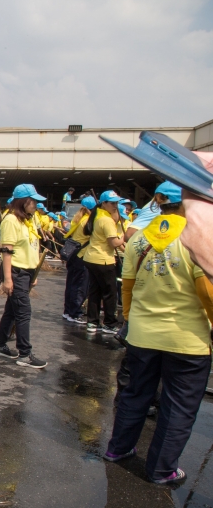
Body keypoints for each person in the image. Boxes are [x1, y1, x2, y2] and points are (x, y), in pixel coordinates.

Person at [104, 182, 213, 484]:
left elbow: (126, 286)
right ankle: (161, 469)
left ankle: (118, 449)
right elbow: (207, 291)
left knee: (135, 394)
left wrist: (130, 320)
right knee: (177, 404)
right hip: (186, 340)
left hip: (141, 335)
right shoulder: (198, 238)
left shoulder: (139, 238)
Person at [0, 184, 48, 369]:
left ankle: (0, 344)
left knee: (12, 311)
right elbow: (7, 251)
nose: (36, 205)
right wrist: (8, 279)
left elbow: (33, 247)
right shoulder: (11, 221)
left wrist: (34, 272)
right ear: (24, 201)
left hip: (27, 271)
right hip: (16, 272)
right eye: (34, 201)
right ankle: (25, 353)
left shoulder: (28, 220)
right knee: (23, 313)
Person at [82, 190, 125, 335]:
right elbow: (114, 242)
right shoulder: (106, 220)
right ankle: (109, 323)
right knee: (109, 293)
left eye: (117, 203)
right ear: (104, 203)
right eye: (112, 203)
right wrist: (125, 236)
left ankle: (92, 322)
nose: (115, 206)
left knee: (95, 292)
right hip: (103, 260)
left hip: (91, 258)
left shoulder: (98, 215)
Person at [62, 196, 96, 324]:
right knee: (80, 286)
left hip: (73, 256)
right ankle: (75, 313)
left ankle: (67, 311)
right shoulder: (88, 221)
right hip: (82, 256)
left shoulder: (78, 218)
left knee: (71, 284)